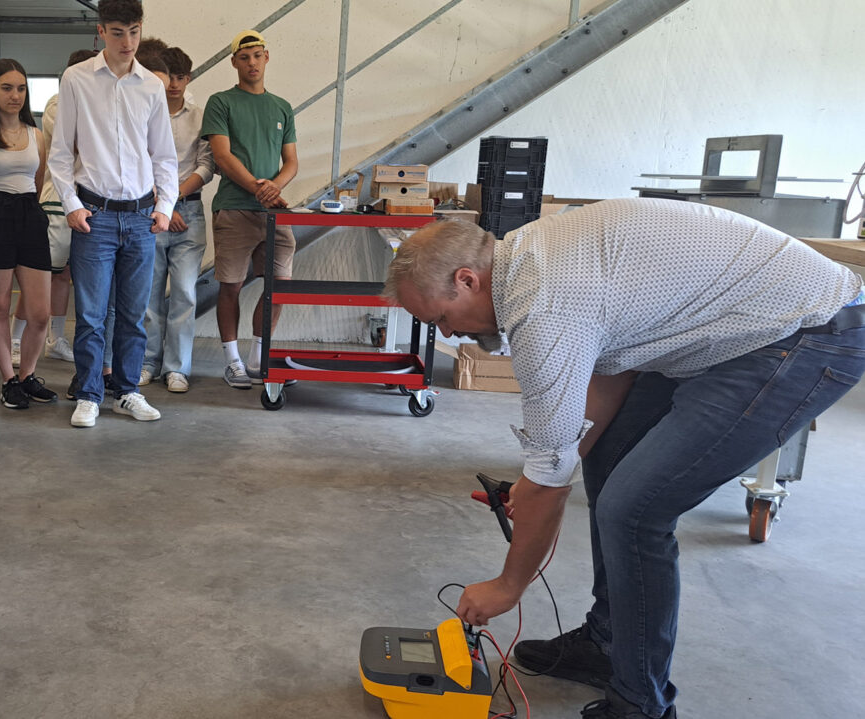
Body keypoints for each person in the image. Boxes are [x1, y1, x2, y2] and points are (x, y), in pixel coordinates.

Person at [385, 200, 865, 719]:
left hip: (805, 332)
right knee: (609, 458)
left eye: (440, 318)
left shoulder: (541, 306)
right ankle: (610, 643)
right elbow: (612, 369)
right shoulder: (527, 256)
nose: (449, 335)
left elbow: (550, 474)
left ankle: (642, 705)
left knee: (633, 509)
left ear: (467, 280)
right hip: (736, 327)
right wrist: (541, 477)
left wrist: (507, 586)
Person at [48, 0, 177, 428]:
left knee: (134, 313)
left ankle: (127, 392)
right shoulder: (76, 79)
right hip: (95, 215)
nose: (128, 41)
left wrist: (164, 206)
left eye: (135, 31)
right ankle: (88, 393)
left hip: (141, 217)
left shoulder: (151, 87)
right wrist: (71, 206)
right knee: (89, 314)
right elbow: (61, 153)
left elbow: (164, 157)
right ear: (101, 31)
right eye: (118, 32)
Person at [202, 29, 298, 389]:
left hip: (274, 211)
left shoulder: (282, 107)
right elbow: (223, 157)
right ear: (234, 63)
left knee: (280, 286)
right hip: (234, 210)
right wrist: (261, 189)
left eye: (257, 55)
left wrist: (273, 188)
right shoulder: (221, 102)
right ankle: (233, 362)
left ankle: (259, 357)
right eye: (244, 57)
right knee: (231, 286)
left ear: (267, 57)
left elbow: (291, 162)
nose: (251, 62)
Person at [0, 58, 58, 410]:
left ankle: (27, 375)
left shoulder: (35, 134)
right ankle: (8, 380)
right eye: (6, 88)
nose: (15, 95)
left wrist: (31, 212)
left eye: (21, 88)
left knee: (40, 312)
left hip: (29, 214)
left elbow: (38, 182)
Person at [139, 45, 214, 393]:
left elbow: (206, 166)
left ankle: (177, 368)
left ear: (189, 78)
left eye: (181, 77)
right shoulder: (144, 112)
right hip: (148, 208)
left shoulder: (200, 117)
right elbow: (138, 162)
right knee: (148, 294)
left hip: (189, 211)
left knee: (184, 292)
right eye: (170, 76)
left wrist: (174, 201)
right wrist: (161, 205)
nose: (174, 84)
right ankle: (147, 363)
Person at [37, 48, 96, 368]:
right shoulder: (57, 105)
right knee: (45, 274)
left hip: (88, 202)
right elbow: (78, 144)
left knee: (67, 277)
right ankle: (18, 341)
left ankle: (55, 339)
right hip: (58, 201)